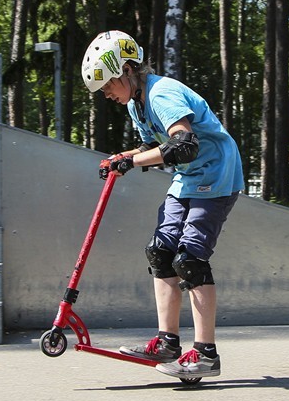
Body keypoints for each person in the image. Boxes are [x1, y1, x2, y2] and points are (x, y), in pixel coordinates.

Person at [81, 30, 245, 379]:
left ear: (126, 70)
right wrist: (121, 158)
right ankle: (168, 342)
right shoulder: (136, 105)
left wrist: (133, 163)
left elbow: (184, 144)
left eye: (108, 84)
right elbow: (151, 148)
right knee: (160, 251)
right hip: (187, 178)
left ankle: (205, 354)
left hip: (216, 175)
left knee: (190, 259)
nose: (106, 93)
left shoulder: (162, 94)